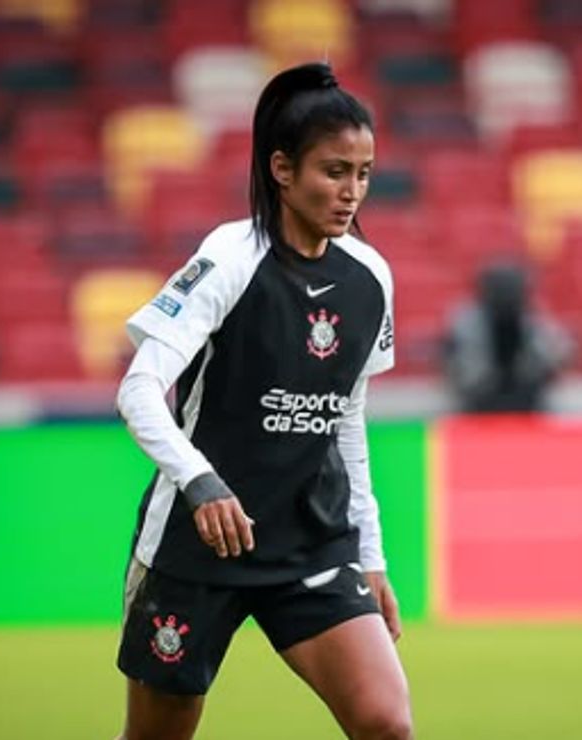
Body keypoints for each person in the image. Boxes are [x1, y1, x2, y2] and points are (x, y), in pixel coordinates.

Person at [113, 63, 412, 740]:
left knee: (387, 725)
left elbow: (347, 423)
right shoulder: (230, 257)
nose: (352, 193)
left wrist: (372, 556)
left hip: (311, 542)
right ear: (282, 168)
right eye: (335, 171)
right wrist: (201, 482)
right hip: (200, 546)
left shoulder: (370, 278)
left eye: (363, 174)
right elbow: (137, 390)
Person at [442, 260, 572, 413]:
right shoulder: (466, 321)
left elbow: (556, 354)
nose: (505, 294)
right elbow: (457, 367)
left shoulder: (533, 319)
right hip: (478, 402)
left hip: (528, 402)